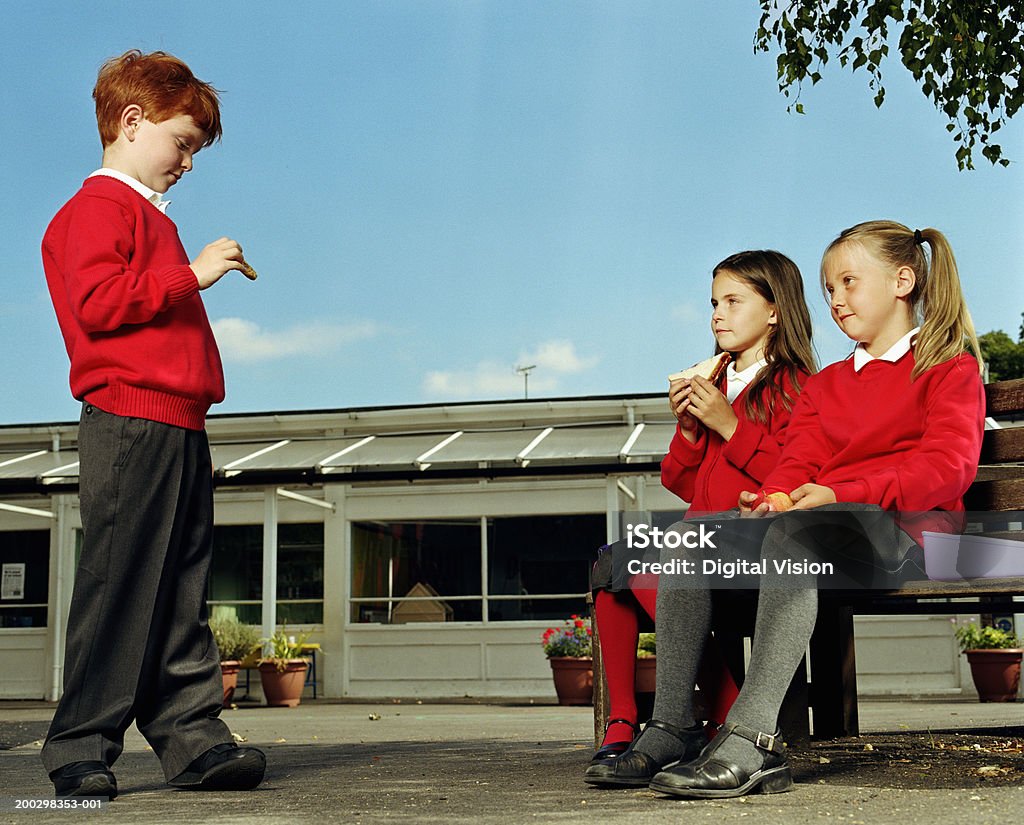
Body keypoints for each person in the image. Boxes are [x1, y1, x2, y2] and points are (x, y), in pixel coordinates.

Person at [607, 220, 985, 799]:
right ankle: (674, 723)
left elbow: (947, 468)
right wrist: (774, 495)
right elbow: (799, 460)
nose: (835, 299)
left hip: (910, 532)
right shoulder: (827, 383)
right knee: (692, 540)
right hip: (826, 526)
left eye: (849, 282)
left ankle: (754, 739)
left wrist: (837, 494)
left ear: (903, 281)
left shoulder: (948, 367)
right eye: (829, 287)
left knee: (794, 539)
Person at [40, 50, 265, 799]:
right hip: (128, 422)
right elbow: (99, 303)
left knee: (178, 590)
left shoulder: (143, 217)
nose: (188, 162)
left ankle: (193, 737)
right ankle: (79, 744)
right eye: (183, 142)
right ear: (132, 122)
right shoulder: (97, 210)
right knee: (119, 584)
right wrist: (191, 275)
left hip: (176, 425)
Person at [585, 250, 816, 784]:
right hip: (700, 536)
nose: (718, 314)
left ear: (776, 310)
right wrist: (691, 430)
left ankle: (710, 714)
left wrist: (731, 425)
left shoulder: (795, 384)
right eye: (714, 302)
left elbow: (790, 473)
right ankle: (652, 721)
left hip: (754, 541)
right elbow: (679, 479)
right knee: (614, 561)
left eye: (734, 301)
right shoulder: (714, 376)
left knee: (652, 567)